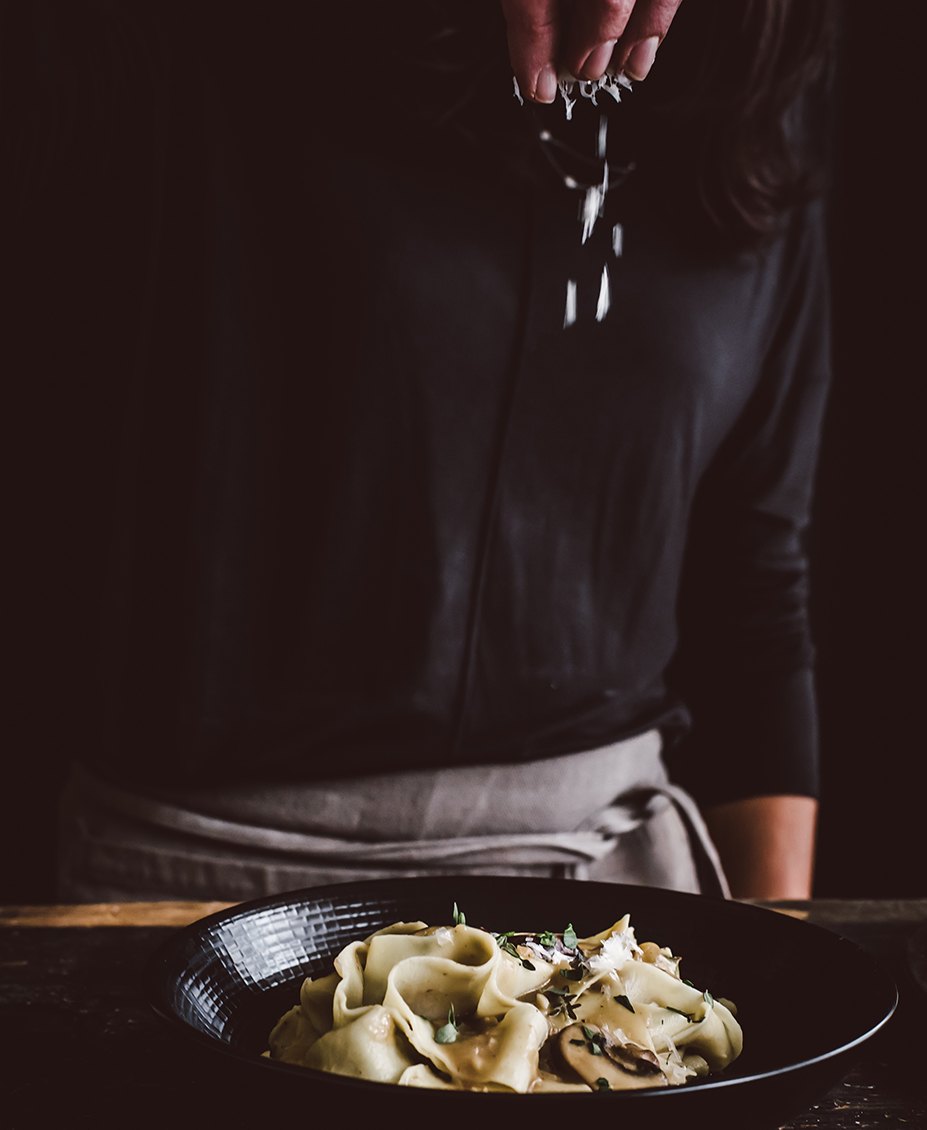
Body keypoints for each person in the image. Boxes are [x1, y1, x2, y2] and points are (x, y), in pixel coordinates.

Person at [12, 0, 833, 903]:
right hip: (181, 901)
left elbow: (752, 581)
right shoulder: (159, 45)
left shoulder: (747, 69)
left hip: (611, 914)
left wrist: (783, 965)